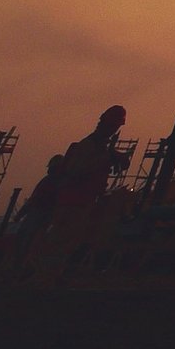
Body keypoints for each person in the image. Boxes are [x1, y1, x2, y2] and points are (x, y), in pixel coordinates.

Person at [21, 106, 127, 278]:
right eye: (114, 126)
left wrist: (112, 156)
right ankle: (42, 275)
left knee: (66, 241)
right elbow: (77, 170)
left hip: (81, 201)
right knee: (61, 241)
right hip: (74, 202)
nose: (115, 130)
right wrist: (106, 159)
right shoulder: (89, 146)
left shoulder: (100, 146)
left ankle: (44, 273)